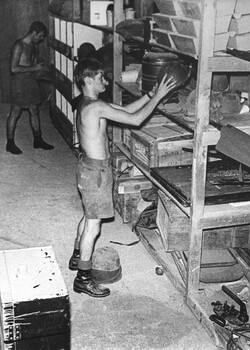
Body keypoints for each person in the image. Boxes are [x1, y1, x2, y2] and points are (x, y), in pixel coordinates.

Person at [68, 58, 176, 297]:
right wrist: (159, 98)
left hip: (89, 168)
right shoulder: (94, 107)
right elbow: (136, 120)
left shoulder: (89, 103)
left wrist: (150, 94)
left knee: (88, 216)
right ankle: (83, 278)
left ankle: (77, 256)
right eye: (100, 77)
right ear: (88, 80)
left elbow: (126, 110)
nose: (105, 81)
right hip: (95, 173)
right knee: (93, 226)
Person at [6, 21, 54, 154]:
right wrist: (34, 67)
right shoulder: (18, 45)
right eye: (40, 36)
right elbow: (13, 68)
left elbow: (32, 65)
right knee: (15, 112)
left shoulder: (34, 46)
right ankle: (10, 143)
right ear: (34, 33)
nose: (41, 39)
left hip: (30, 80)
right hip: (19, 82)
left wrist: (39, 67)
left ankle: (38, 140)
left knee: (34, 110)